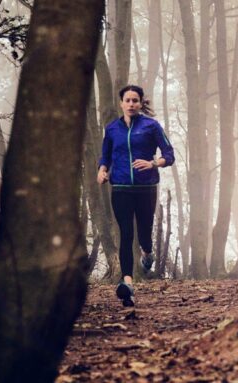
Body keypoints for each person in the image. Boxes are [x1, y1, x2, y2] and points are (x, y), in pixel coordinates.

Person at [97, 85, 175, 307]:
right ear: (121, 103)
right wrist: (102, 170)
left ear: (141, 104)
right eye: (127, 100)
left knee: (144, 233)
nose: (131, 104)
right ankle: (127, 284)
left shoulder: (151, 126)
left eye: (135, 100)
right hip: (120, 187)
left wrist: (152, 163)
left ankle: (147, 252)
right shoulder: (112, 129)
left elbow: (169, 155)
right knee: (126, 234)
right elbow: (105, 156)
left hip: (145, 188)